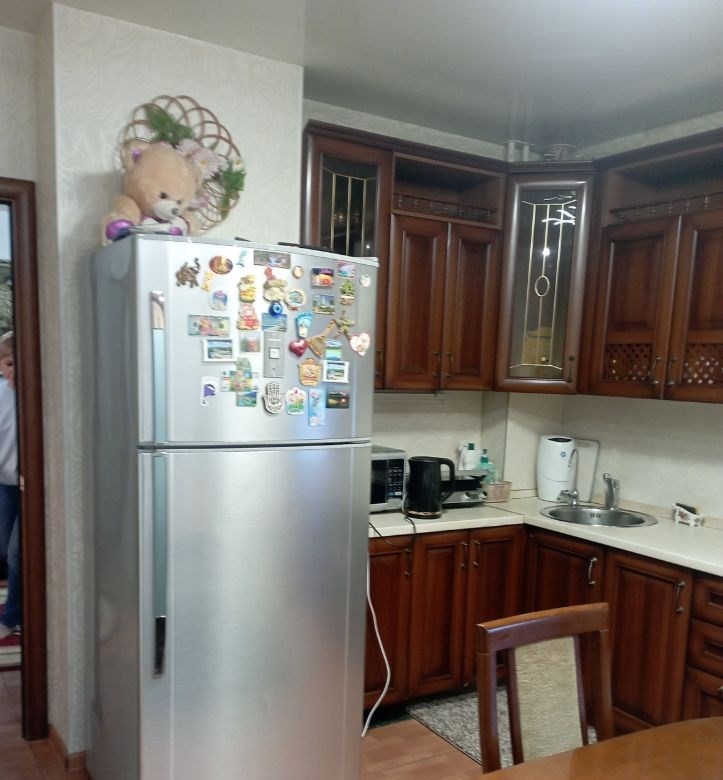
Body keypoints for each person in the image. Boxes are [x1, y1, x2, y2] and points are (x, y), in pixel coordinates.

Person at [0, 331, 20, 640]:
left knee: (17, 553)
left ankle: (13, 615)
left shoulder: (41, 393)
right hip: (4, 485)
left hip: (32, 488)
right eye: (8, 363)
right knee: (6, 550)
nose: (11, 371)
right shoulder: (2, 393)